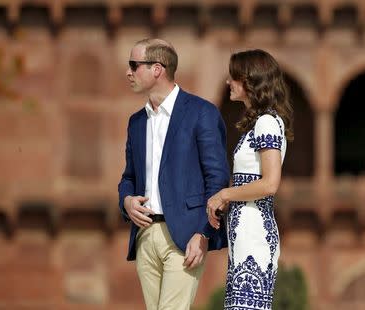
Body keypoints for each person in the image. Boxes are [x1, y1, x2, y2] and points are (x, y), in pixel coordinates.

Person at [118, 38, 230, 310]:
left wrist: (203, 234)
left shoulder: (202, 113)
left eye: (134, 65)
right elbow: (129, 177)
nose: (128, 72)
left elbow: (217, 178)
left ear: (157, 69)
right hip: (145, 237)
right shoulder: (136, 122)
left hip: (185, 236)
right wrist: (127, 201)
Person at [207, 49, 294, 309]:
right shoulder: (258, 123)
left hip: (254, 232)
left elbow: (270, 183)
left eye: (233, 77)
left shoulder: (267, 122)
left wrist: (224, 194)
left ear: (250, 80)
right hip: (245, 231)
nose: (228, 82)